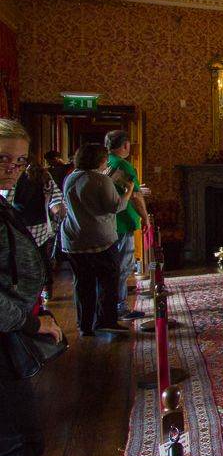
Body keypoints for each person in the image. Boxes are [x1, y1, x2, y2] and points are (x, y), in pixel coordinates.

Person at [0, 119, 63, 456]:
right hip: (7, 330)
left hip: (10, 329)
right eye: (4, 158)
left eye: (20, 161)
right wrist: (30, 322)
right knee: (22, 445)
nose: (13, 168)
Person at [61, 143, 132, 336]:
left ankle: (84, 325)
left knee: (82, 283)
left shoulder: (70, 177)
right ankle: (105, 321)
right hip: (99, 240)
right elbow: (115, 207)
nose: (107, 161)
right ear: (98, 160)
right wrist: (129, 191)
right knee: (108, 281)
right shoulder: (101, 180)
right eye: (105, 158)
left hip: (73, 239)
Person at [103, 131, 148, 322]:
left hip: (107, 224)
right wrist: (145, 218)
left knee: (113, 266)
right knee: (123, 266)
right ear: (126, 145)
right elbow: (135, 195)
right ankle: (119, 306)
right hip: (122, 222)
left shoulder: (106, 163)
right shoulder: (123, 165)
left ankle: (109, 305)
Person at [10, 164, 62, 301]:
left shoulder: (12, 175)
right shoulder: (44, 174)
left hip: (19, 222)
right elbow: (56, 197)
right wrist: (59, 212)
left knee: (21, 258)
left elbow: (7, 200)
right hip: (40, 221)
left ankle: (27, 289)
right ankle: (45, 287)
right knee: (41, 256)